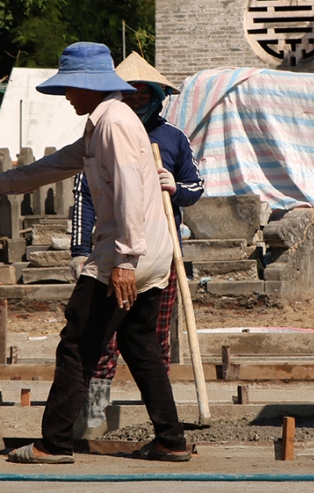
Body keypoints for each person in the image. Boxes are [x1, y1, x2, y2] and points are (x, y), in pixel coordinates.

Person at [0, 42, 191, 464]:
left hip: (127, 251)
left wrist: (123, 261)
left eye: (70, 88)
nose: (66, 96)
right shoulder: (103, 123)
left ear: (89, 86)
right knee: (139, 342)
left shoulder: (114, 124)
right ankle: (171, 439)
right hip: (151, 251)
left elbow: (132, 195)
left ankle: (54, 443)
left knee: (78, 343)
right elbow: (60, 164)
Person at [69, 52, 203, 440]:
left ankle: (164, 425)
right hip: (114, 255)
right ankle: (93, 415)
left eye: (145, 95)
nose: (137, 101)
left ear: (158, 97)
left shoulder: (173, 138)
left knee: (150, 342)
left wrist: (174, 188)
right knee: (100, 340)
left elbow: (197, 188)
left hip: (158, 258)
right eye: (131, 95)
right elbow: (86, 195)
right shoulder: (107, 130)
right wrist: (80, 249)